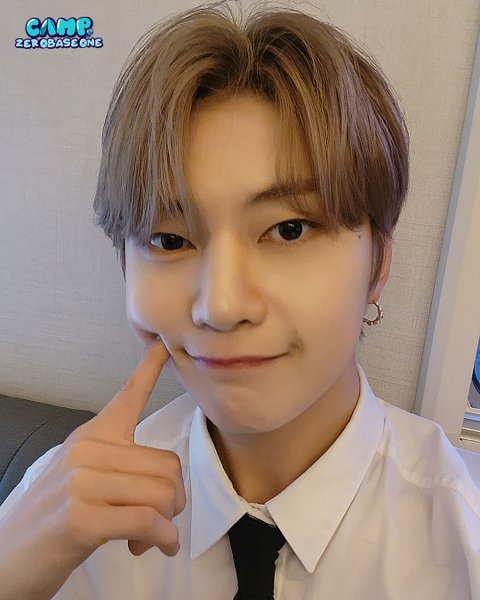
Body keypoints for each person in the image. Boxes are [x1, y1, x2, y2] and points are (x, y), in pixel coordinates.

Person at [1, 1, 479, 598]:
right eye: (169, 239)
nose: (221, 307)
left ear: (378, 264)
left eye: (289, 229)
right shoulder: (55, 525)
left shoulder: (461, 541)